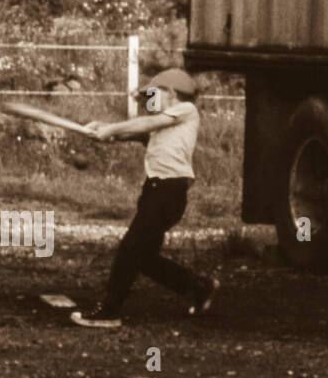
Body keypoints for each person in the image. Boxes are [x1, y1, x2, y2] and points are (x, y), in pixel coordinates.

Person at [70, 68, 219, 328]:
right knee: (144, 257)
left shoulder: (185, 110)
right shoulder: (164, 122)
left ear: (171, 94)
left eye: (153, 94)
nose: (148, 100)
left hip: (168, 191)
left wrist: (111, 129)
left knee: (130, 248)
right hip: (155, 190)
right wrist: (104, 131)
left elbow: (147, 123)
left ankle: (109, 311)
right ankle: (199, 286)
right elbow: (136, 132)